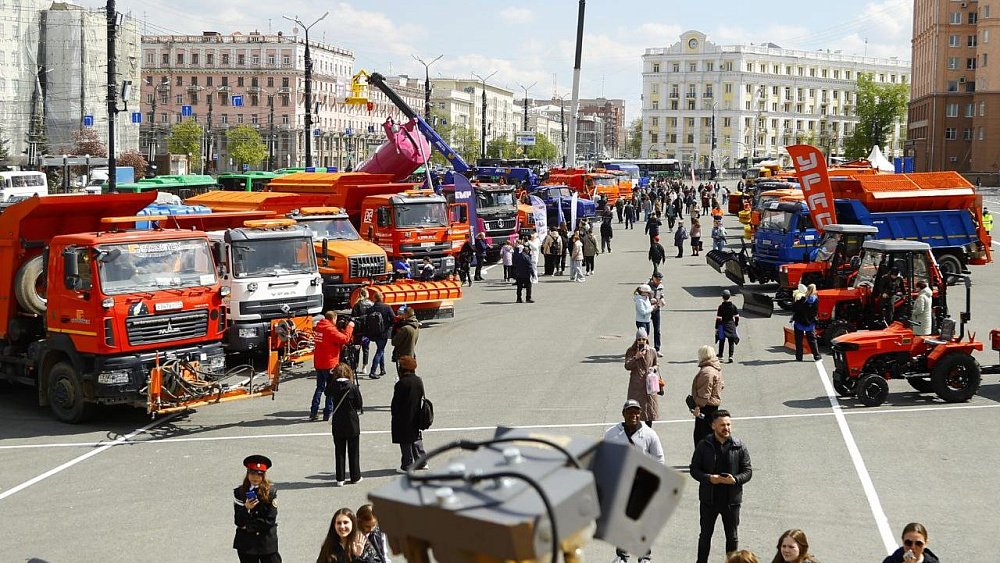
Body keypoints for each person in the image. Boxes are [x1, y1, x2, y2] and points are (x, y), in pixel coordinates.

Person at [690, 410, 753, 563]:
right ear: (713, 426)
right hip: (709, 500)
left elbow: (748, 471)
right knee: (705, 535)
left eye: (728, 424)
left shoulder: (739, 446)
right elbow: (694, 469)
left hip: (731, 501)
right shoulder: (704, 445)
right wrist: (709, 478)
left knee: (732, 537)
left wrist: (735, 480)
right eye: (722, 425)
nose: (726, 428)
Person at [605, 399, 662, 563]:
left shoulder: (649, 433)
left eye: (636, 411)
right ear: (623, 414)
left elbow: (659, 458)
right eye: (630, 411)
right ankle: (622, 556)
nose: (634, 415)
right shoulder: (612, 433)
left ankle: (644, 556)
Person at [233, 455, 281, 563]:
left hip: (266, 543)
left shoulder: (271, 493)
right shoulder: (239, 492)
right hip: (246, 544)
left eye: (259, 474)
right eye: (252, 473)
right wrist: (246, 508)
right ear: (247, 474)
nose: (255, 477)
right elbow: (238, 521)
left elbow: (269, 520)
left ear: (264, 476)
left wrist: (248, 526)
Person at [310, 312, 354, 422]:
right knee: (330, 388)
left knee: (319, 387)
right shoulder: (329, 329)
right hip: (329, 363)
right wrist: (350, 327)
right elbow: (345, 339)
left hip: (319, 362)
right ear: (333, 318)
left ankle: (313, 411)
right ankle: (327, 412)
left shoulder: (319, 327)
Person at [325, 363, 364, 486]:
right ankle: (355, 476)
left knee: (339, 451)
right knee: (353, 451)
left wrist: (329, 377)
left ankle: (340, 478)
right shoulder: (352, 387)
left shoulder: (333, 386)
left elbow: (326, 392)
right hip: (351, 422)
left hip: (338, 422)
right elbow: (359, 404)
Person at [391, 355, 428, 472]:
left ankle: (407, 465)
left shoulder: (401, 384)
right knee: (416, 438)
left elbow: (395, 404)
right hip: (416, 414)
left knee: (405, 441)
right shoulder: (418, 380)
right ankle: (422, 462)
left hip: (403, 417)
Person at [624, 328, 659, 428]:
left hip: (649, 385)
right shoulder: (631, 351)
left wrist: (653, 369)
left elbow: (656, 364)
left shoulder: (652, 351)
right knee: (636, 410)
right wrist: (636, 357)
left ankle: (648, 432)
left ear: (646, 339)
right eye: (639, 339)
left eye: (643, 339)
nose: (641, 341)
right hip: (636, 385)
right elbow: (627, 366)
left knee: (649, 411)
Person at [690, 345, 724, 446]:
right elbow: (722, 385)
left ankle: (702, 460)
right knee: (711, 436)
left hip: (705, 407)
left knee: (701, 437)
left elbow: (705, 393)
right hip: (713, 406)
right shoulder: (716, 368)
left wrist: (697, 406)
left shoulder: (707, 372)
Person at [791, 284, 821, 362]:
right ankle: (816, 356)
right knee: (812, 340)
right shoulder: (815, 300)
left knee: (799, 340)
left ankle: (799, 357)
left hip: (799, 322)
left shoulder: (802, 299)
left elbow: (794, 308)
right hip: (810, 323)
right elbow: (815, 312)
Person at [367, 292, 394, 379]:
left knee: (380, 349)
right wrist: (389, 325)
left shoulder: (371, 308)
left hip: (374, 333)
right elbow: (393, 319)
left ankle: (382, 369)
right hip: (384, 332)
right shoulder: (387, 307)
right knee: (380, 351)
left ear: (374, 298)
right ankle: (372, 371)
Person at [391, 306, 419, 374]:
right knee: (411, 374)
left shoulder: (405, 329)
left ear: (406, 314)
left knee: (403, 375)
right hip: (411, 353)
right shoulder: (416, 326)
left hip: (403, 355)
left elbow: (394, 342)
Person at [350, 289, 373, 372]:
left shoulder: (357, 305)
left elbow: (353, 317)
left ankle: (355, 366)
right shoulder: (371, 304)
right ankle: (364, 366)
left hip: (358, 330)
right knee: (366, 349)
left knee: (357, 349)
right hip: (368, 330)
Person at [716, 290, 740, 362]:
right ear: (729, 296)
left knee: (721, 341)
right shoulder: (733, 306)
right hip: (731, 325)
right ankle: (731, 356)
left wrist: (717, 328)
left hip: (722, 325)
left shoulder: (721, 307)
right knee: (731, 342)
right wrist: (735, 324)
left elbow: (718, 318)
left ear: (722, 297)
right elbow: (737, 317)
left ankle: (720, 356)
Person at [648, 272, 665, 357]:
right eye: (658, 279)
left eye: (660, 280)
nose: (659, 281)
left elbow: (661, 295)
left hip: (656, 309)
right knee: (645, 331)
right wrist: (649, 301)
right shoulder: (647, 287)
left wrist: (662, 300)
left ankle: (657, 349)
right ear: (653, 278)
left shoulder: (661, 286)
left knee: (657, 330)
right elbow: (642, 297)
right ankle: (644, 349)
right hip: (647, 310)